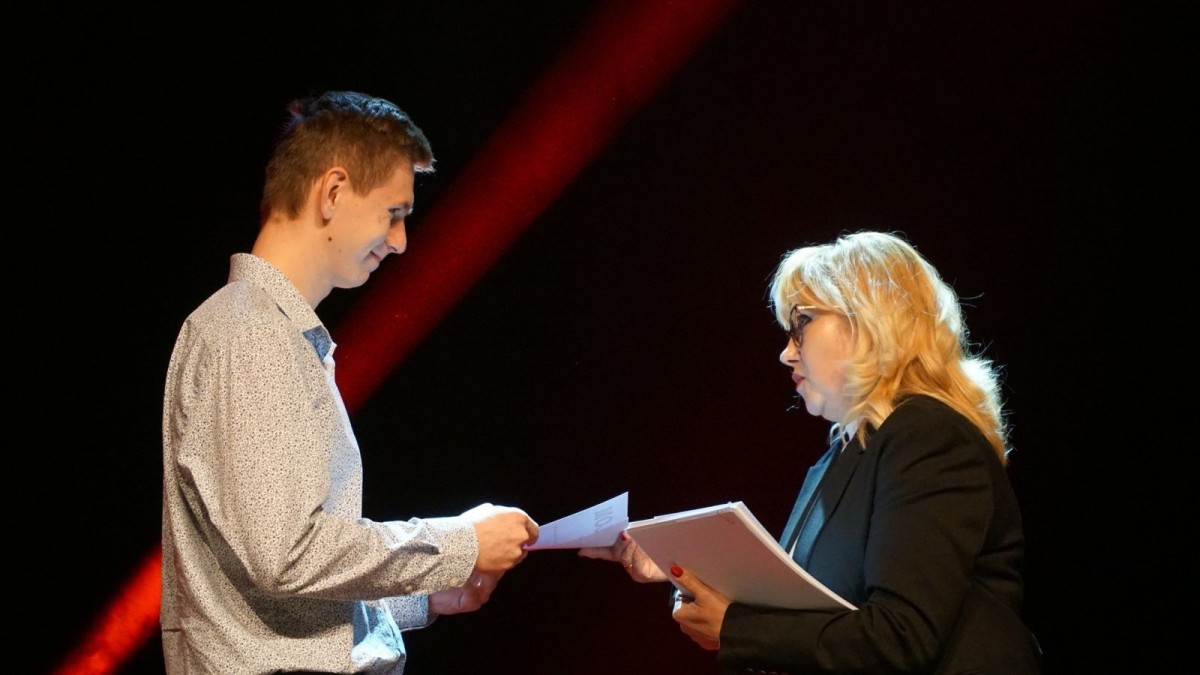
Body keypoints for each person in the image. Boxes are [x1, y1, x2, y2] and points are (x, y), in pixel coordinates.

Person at [160, 90, 540, 675]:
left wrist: (420, 595)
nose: (399, 241)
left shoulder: (273, 334)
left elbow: (269, 583)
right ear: (333, 192)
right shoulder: (248, 332)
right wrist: (456, 543)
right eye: (394, 213)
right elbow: (286, 555)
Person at [581, 230, 1042, 673]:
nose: (786, 353)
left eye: (800, 324)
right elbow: (811, 612)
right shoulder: (840, 457)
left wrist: (736, 628)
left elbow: (901, 636)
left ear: (868, 320)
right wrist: (681, 564)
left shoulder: (928, 436)